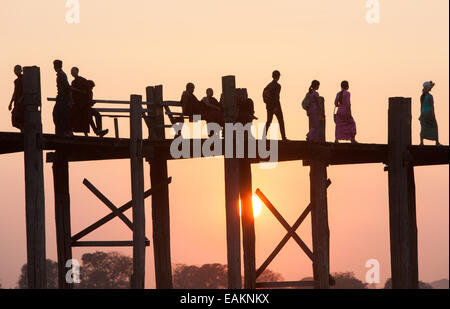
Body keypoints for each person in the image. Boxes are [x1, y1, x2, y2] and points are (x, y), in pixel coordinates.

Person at [70, 67, 108, 137]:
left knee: (97, 114)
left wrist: (91, 102)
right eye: (71, 71)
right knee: (89, 117)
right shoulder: (76, 82)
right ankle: (97, 131)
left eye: (73, 71)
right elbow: (79, 95)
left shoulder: (82, 81)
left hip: (85, 106)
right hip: (81, 106)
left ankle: (98, 130)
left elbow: (85, 95)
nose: (72, 72)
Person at [263, 70, 287, 140]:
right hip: (276, 106)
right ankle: (283, 137)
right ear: (278, 76)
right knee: (281, 121)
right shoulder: (277, 86)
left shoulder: (268, 85)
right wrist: (276, 107)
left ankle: (263, 136)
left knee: (269, 121)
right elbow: (276, 97)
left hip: (269, 106)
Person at [53, 60, 73, 136]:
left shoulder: (61, 75)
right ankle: (63, 131)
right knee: (58, 114)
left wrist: (69, 99)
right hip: (61, 97)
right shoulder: (61, 74)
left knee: (61, 114)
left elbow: (67, 87)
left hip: (62, 98)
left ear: (55, 66)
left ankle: (66, 131)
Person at [419, 81, 440, 146]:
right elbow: (431, 106)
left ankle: (421, 142)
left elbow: (421, 106)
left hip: (423, 113)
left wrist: (421, 115)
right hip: (429, 113)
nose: (431, 88)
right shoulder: (430, 96)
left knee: (423, 127)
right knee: (434, 126)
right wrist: (433, 114)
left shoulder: (422, 96)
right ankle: (437, 142)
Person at [8, 65, 25, 131]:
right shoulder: (16, 81)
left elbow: (25, 91)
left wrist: (21, 99)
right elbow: (15, 92)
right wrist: (11, 103)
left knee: (18, 117)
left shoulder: (23, 79)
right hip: (17, 102)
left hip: (21, 103)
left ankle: (23, 129)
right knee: (15, 120)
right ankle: (22, 129)